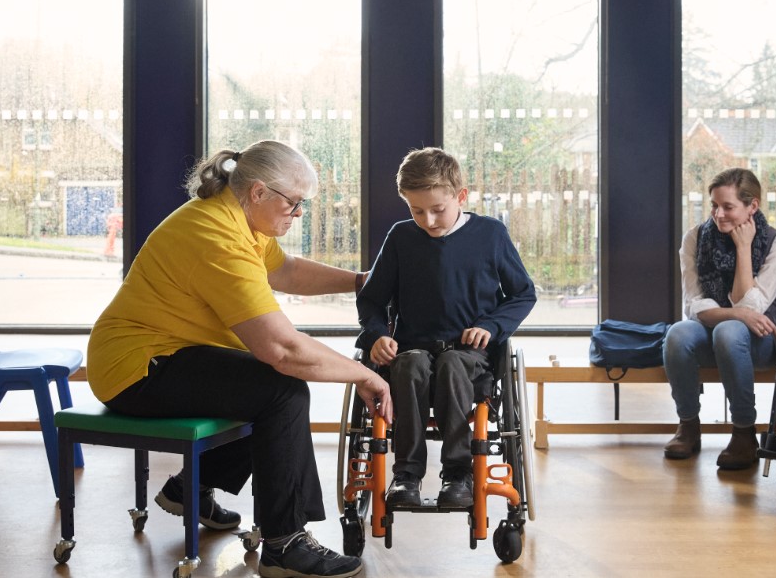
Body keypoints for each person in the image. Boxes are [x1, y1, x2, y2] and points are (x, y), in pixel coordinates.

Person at [86, 140, 392, 578]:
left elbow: (284, 270)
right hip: (137, 369)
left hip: (166, 355)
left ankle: (189, 489)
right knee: (282, 390)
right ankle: (284, 544)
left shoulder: (241, 219)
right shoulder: (216, 236)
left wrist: (362, 282)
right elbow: (282, 349)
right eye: (294, 202)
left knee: (261, 383)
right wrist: (363, 374)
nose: (298, 213)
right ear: (259, 192)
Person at [356, 147, 537, 508]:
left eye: (438, 209)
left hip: (470, 354)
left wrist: (490, 325)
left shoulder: (490, 234)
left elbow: (523, 294)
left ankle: (458, 473)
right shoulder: (401, 238)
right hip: (413, 348)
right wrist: (377, 335)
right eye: (416, 210)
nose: (428, 220)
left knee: (453, 363)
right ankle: (406, 475)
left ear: (461, 196)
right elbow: (372, 300)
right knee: (408, 365)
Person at [663, 167, 776, 470]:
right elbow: (694, 306)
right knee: (677, 334)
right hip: (715, 332)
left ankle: (743, 433)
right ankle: (688, 426)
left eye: (728, 206)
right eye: (714, 205)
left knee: (728, 332)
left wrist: (743, 248)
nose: (718, 214)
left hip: (763, 341)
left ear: (753, 206)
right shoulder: (694, 239)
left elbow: (751, 305)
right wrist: (736, 314)